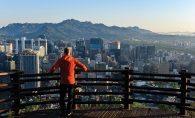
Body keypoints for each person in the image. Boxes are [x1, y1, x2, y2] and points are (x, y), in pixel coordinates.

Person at [48, 47, 87, 117]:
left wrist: (49, 73)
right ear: (70, 52)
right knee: (70, 97)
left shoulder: (60, 60)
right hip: (71, 81)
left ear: (64, 52)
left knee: (62, 97)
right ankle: (69, 111)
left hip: (63, 81)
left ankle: (62, 111)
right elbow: (84, 68)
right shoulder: (73, 60)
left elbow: (53, 68)